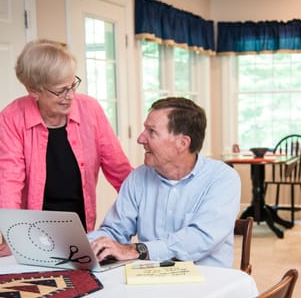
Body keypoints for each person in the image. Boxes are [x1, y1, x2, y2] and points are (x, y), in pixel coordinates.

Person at [0, 39, 132, 258]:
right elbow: (7, 182)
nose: (70, 96)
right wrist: (13, 237)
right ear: (33, 90)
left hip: (81, 229)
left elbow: (119, 168)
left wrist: (146, 211)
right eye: (60, 91)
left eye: (72, 85)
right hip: (32, 232)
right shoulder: (13, 117)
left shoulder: (90, 109)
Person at [88, 97, 241, 267]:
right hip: (150, 279)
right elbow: (114, 231)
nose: (140, 138)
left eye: (151, 131)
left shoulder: (222, 179)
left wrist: (137, 250)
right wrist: (86, 245)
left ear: (182, 143)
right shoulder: (138, 178)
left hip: (207, 281)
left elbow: (201, 238)